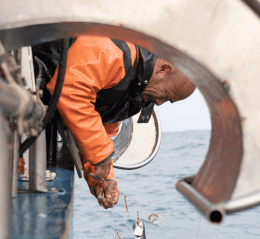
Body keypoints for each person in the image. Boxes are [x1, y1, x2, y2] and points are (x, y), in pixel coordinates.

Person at [39, 37, 196, 209]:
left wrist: (103, 181)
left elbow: (96, 131)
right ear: (164, 69)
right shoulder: (115, 49)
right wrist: (100, 154)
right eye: (166, 95)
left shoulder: (135, 95)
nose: (159, 103)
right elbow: (69, 89)